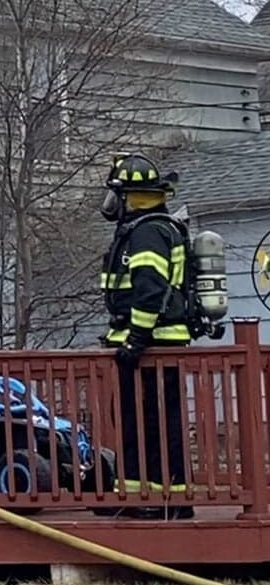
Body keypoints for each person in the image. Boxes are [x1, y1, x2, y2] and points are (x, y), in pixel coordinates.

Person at [100, 153, 193, 519]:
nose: (112, 203)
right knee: (140, 420)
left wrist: (136, 338)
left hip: (153, 344)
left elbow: (150, 289)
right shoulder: (149, 228)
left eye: (117, 195)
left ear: (131, 196)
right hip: (153, 342)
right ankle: (139, 494)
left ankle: (163, 499)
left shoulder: (148, 232)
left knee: (151, 422)